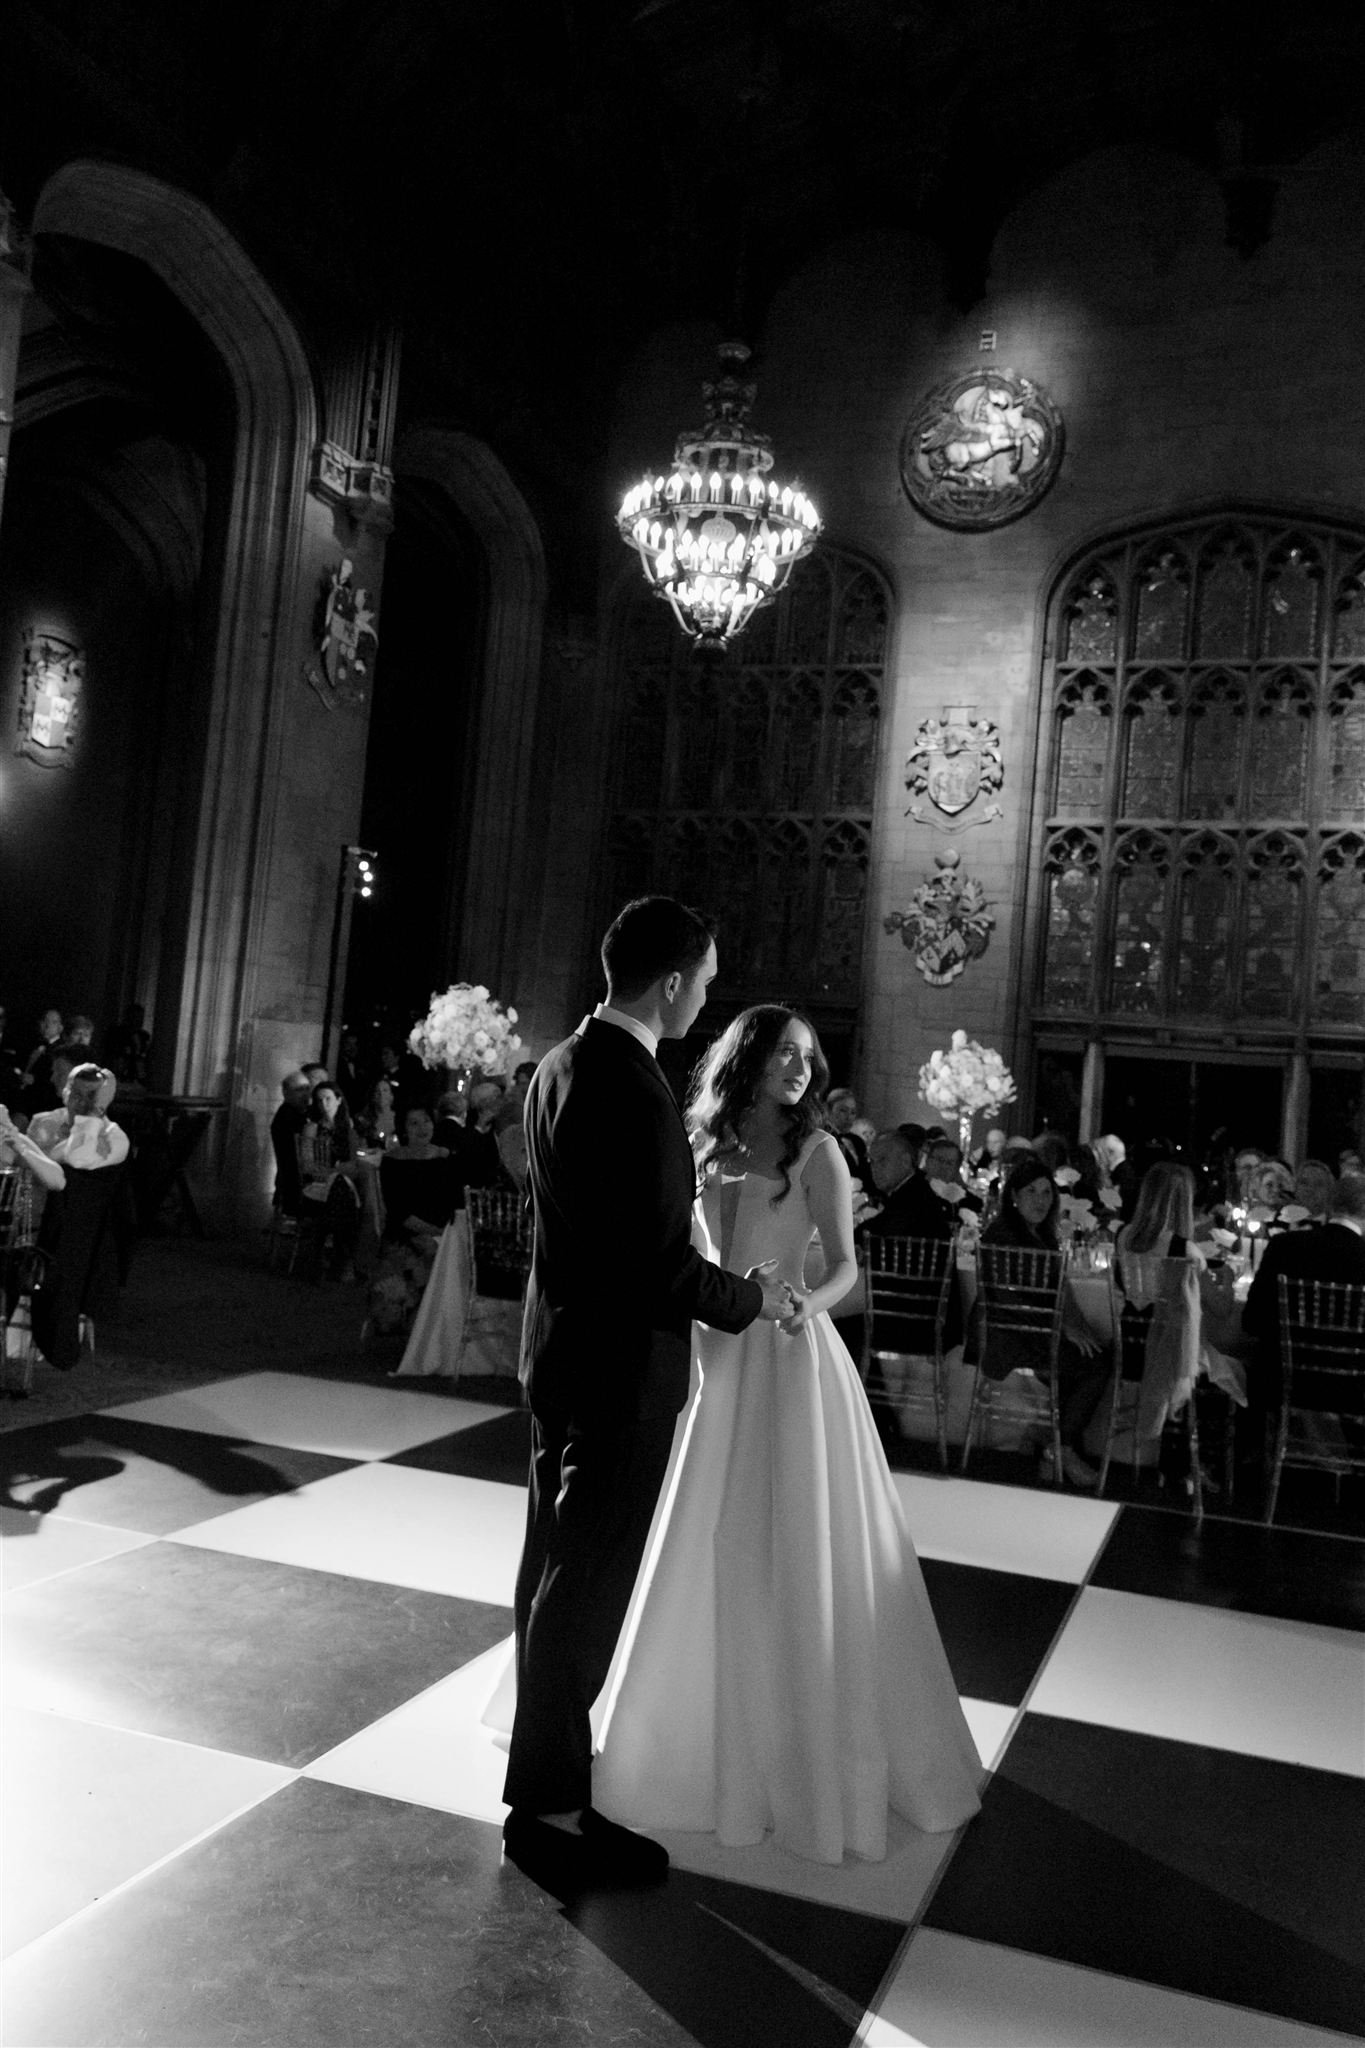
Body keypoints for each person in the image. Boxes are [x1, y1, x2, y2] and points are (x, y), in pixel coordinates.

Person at [590, 1003, 982, 1864]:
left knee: (789, 1540)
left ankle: (801, 1742)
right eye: (785, 1054)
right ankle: (673, 1734)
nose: (801, 1068)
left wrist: (807, 1299)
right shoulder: (701, 1145)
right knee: (695, 1533)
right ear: (747, 1059)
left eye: (811, 1056)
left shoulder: (819, 1154)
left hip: (784, 1355)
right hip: (704, 1351)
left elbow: (845, 1266)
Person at [502, 896, 792, 1895]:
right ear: (670, 982)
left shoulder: (560, 1063)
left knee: (553, 1571)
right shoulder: (631, 1085)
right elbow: (662, 1263)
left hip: (563, 1354)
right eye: (705, 982)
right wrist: (749, 1297)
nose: (706, 999)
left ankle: (545, 1792)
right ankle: (549, 1813)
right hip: (621, 1372)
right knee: (584, 1588)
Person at [981, 1156, 1112, 1487]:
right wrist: (1059, 1327)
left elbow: (1060, 1291)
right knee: (1093, 1365)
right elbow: (1005, 1298)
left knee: (1096, 1354)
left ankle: (1051, 1446)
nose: (1040, 1200)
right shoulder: (1001, 1234)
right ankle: (1061, 1449)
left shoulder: (1042, 1235)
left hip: (1039, 1332)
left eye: (1046, 1192)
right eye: (1031, 1191)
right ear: (1014, 1196)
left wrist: (1074, 1326)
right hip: (1010, 1335)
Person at [1238, 1169, 1365, 1485]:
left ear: (1332, 1206)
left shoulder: (1285, 1247)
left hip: (1281, 1380)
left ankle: (1256, 1460)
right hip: (1352, 1389)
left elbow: (1251, 1321)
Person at [27, 1064, 131, 1369]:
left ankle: (58, 1343)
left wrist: (89, 1121)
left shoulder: (114, 1134)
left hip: (83, 1230)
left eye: (92, 1097)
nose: (82, 1103)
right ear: (65, 1092)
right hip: (38, 1216)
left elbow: (76, 1158)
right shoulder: (44, 1122)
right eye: (77, 1095)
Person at [365, 1107, 458, 1336]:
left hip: (444, 1232)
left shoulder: (447, 1158)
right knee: (409, 1262)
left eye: (426, 1121)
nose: (422, 1128)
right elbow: (399, 1212)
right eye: (414, 1123)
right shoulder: (393, 1162)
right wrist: (433, 1232)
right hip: (407, 1233)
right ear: (404, 1130)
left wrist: (442, 1233)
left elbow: (456, 1201)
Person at [269, 1071, 313, 1218]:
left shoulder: (303, 1113)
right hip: (295, 1181)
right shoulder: (288, 1116)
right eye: (299, 1090)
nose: (305, 1093)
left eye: (307, 1088)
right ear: (286, 1093)